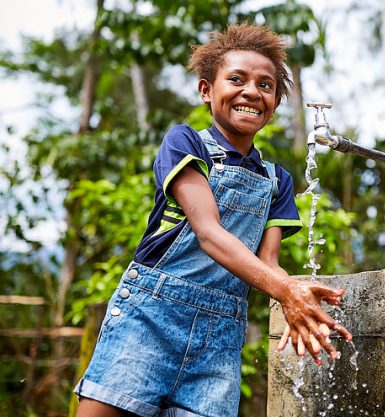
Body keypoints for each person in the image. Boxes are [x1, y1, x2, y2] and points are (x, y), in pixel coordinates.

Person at [74, 23, 352, 417]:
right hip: (149, 318)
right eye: (236, 79)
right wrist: (285, 292)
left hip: (218, 341)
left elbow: (268, 264)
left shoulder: (277, 180)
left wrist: (299, 296)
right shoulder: (184, 143)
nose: (252, 92)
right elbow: (208, 233)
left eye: (266, 85)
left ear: (273, 103)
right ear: (207, 90)